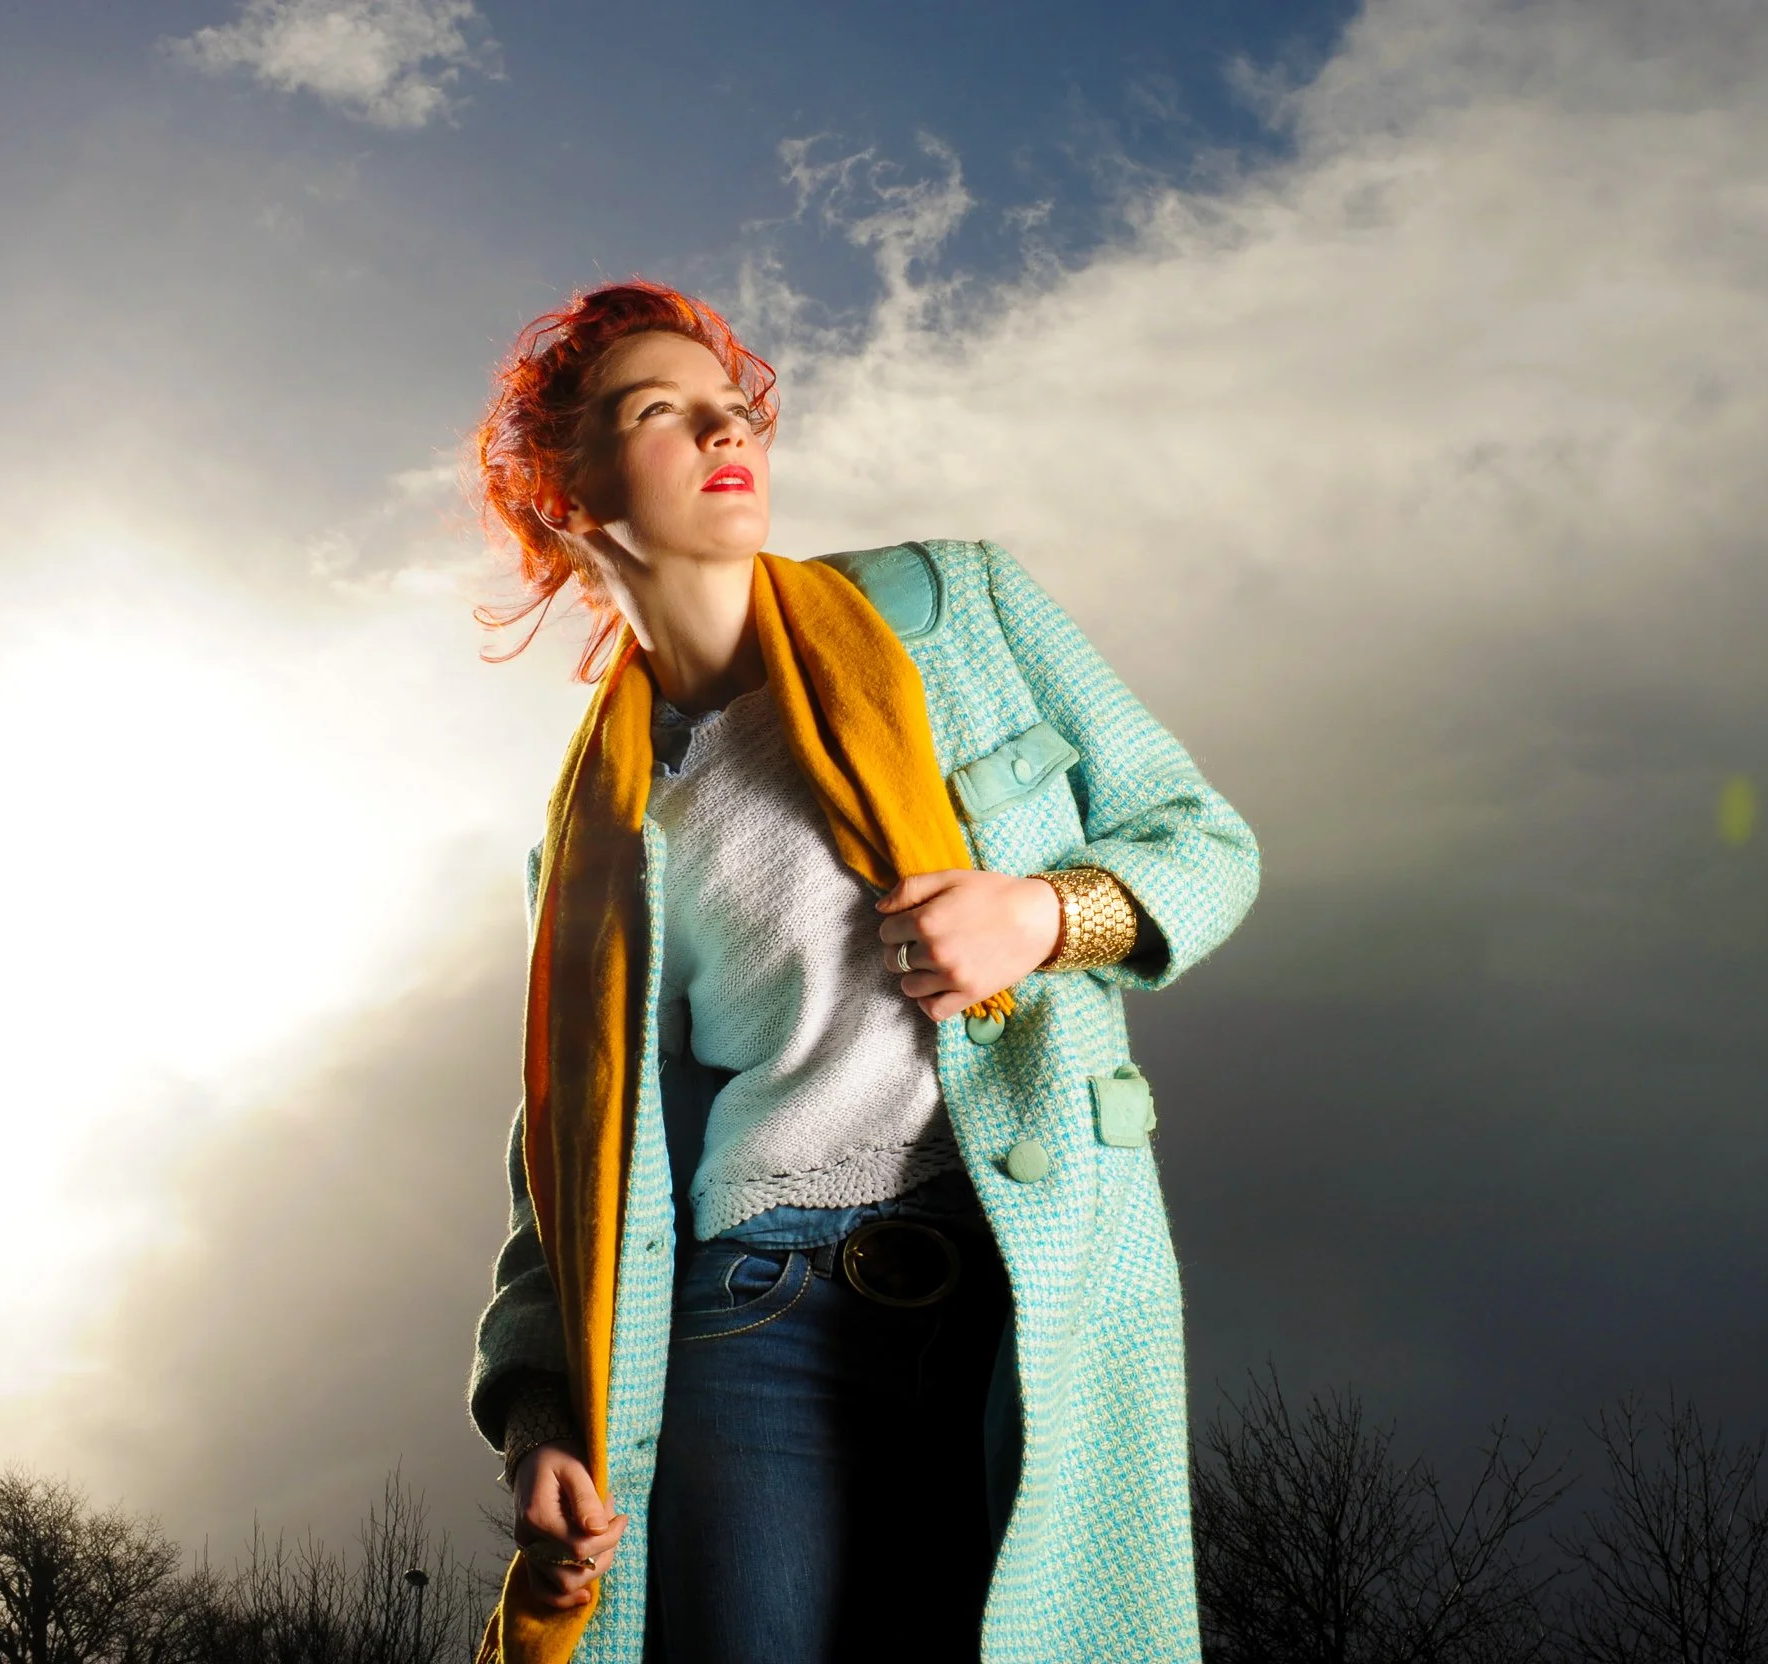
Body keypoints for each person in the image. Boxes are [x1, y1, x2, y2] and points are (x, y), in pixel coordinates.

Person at [462, 280, 1259, 1664]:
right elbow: (564, 1175)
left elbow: (1207, 843)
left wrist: (1046, 916)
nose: (727, 429)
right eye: (660, 412)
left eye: (737, 407)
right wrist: (538, 1418)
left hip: (1024, 1277)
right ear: (565, 495)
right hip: (746, 1324)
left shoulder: (963, 607)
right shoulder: (593, 840)